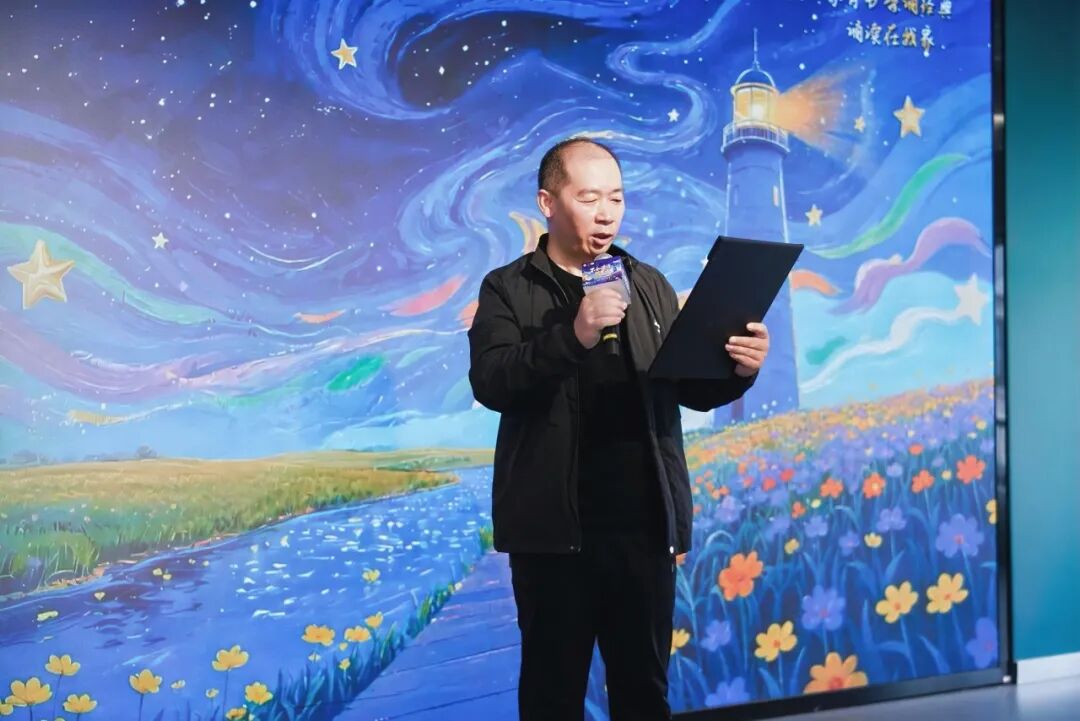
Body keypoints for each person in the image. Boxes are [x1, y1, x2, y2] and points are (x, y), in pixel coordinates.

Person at [467, 138, 770, 721]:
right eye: (589, 199)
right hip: (553, 539)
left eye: (616, 198)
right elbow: (492, 381)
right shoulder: (507, 288)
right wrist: (573, 337)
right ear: (548, 203)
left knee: (644, 695)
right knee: (552, 699)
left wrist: (740, 370)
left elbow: (688, 389)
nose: (606, 214)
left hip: (643, 532)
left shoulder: (648, 284)